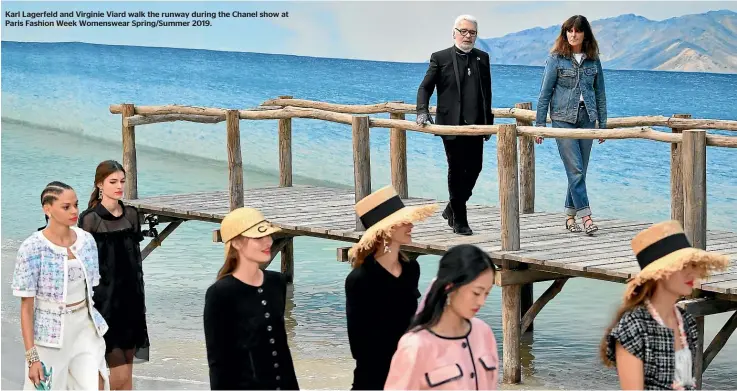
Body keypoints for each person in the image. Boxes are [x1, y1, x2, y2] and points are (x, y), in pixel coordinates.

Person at [601, 220, 729, 390]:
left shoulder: (686, 322)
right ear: (660, 273)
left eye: (692, 265)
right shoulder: (635, 327)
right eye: (683, 266)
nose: (692, 272)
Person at [12, 181, 110, 390]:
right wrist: (32, 357)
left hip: (85, 327)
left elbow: (92, 290)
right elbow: (27, 308)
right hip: (49, 336)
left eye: (76, 205)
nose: (74, 211)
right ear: (47, 209)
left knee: (96, 383)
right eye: (66, 207)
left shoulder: (86, 241)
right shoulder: (32, 248)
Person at [345, 185, 438, 390]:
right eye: (403, 221)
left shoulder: (411, 268)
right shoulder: (360, 279)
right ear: (385, 231)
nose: (411, 225)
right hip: (374, 377)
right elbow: (358, 346)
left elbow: (411, 321)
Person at [203, 207, 299, 390]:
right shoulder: (220, 293)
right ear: (237, 243)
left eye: (268, 235)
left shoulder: (276, 282)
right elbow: (218, 363)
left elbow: (283, 352)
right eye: (258, 238)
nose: (268, 242)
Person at [415, 14, 494, 236]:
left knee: (475, 168)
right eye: (464, 31)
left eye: (472, 32)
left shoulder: (483, 58)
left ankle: (452, 207)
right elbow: (425, 88)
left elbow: (487, 92)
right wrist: (422, 112)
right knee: (457, 169)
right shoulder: (439, 58)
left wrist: (488, 123)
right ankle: (460, 217)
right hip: (451, 125)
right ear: (454, 33)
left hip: (477, 126)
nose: (468, 36)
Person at [384, 244, 499, 390]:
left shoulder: (484, 332)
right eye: (476, 292)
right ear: (449, 287)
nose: (482, 301)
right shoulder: (416, 346)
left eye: (487, 293)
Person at [79, 160, 150, 390]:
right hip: (102, 305)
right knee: (103, 376)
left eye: (122, 181)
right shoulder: (89, 219)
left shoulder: (131, 215)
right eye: (113, 182)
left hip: (130, 304)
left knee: (124, 378)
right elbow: (84, 267)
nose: (119, 186)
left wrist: (139, 301)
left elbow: (135, 264)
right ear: (100, 184)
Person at [534, 15, 607, 235]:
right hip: (562, 119)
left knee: (579, 171)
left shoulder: (593, 61)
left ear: (585, 34)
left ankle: (569, 216)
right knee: (575, 170)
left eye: (577, 31)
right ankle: (586, 218)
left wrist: (602, 124)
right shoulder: (556, 59)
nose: (573, 34)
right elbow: (545, 93)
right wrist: (539, 125)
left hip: (587, 119)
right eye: (569, 30)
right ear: (565, 33)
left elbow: (600, 93)